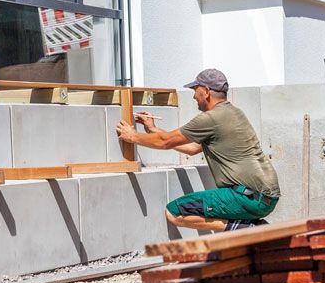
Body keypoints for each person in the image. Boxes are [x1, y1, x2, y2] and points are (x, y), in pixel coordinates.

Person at [116, 69, 281, 232]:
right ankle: (248, 226)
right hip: (266, 197)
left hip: (247, 197)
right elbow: (192, 148)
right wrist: (153, 129)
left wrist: (133, 136)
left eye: (196, 90)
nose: (194, 96)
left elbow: (165, 142)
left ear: (206, 91)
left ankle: (249, 228)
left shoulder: (211, 118)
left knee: (174, 212)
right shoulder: (234, 113)